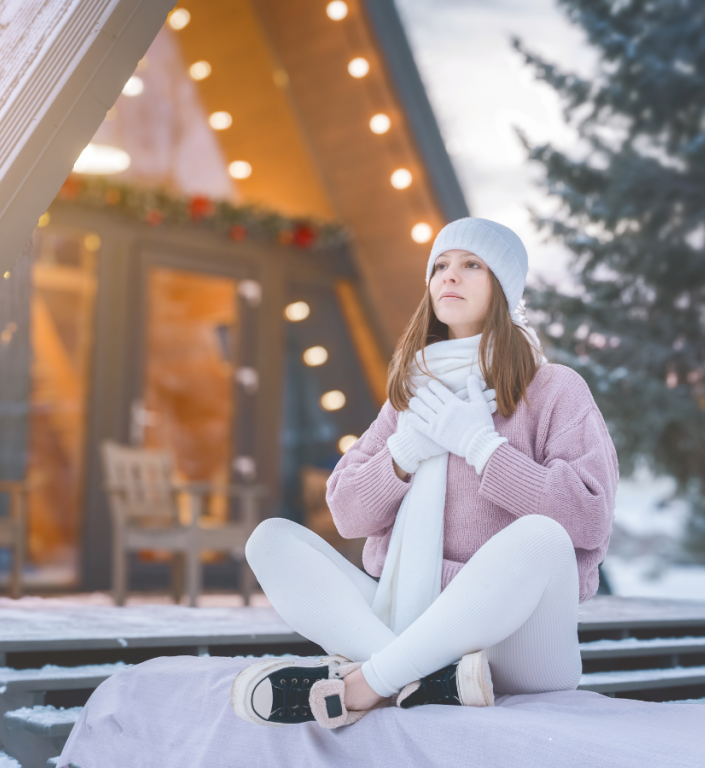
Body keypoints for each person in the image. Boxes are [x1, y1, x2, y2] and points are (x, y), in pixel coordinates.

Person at [231, 217, 619, 730]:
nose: (448, 277)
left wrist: (482, 447)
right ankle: (429, 680)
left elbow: (588, 517)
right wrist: (406, 450)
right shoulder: (412, 397)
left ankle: (368, 682)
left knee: (542, 537)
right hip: (412, 614)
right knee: (270, 539)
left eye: (470, 265)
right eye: (439, 266)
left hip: (518, 640)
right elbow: (347, 512)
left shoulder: (554, 388)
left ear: (503, 287)